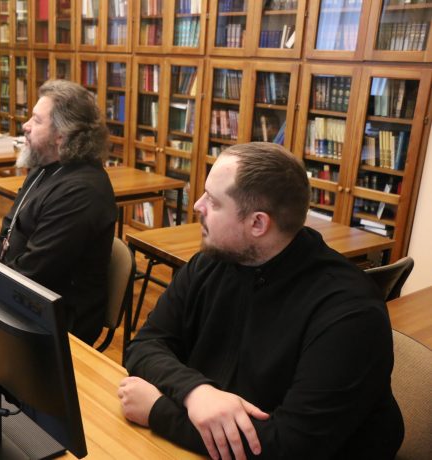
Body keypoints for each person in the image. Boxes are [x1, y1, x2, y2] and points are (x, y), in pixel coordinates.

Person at [118, 142, 404, 459]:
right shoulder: (211, 262)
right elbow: (145, 345)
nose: (198, 205)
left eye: (213, 200)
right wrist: (196, 392)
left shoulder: (350, 313)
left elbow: (290, 447)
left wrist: (159, 411)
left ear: (257, 223)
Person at [0, 79, 117, 345]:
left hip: (57, 322)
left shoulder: (82, 191)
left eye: (36, 120)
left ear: (62, 135)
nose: (25, 126)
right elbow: (8, 229)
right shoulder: (44, 167)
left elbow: (36, 273)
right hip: (21, 295)